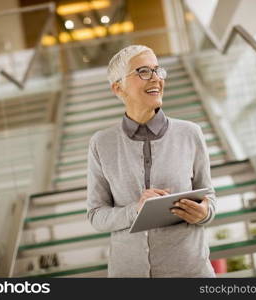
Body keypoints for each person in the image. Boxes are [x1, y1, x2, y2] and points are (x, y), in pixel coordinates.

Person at [86, 45, 216, 277]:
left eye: (157, 70)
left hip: (190, 271)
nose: (156, 78)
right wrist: (136, 210)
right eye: (143, 71)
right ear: (118, 88)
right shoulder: (101, 143)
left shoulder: (190, 133)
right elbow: (96, 215)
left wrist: (204, 212)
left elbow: (209, 199)